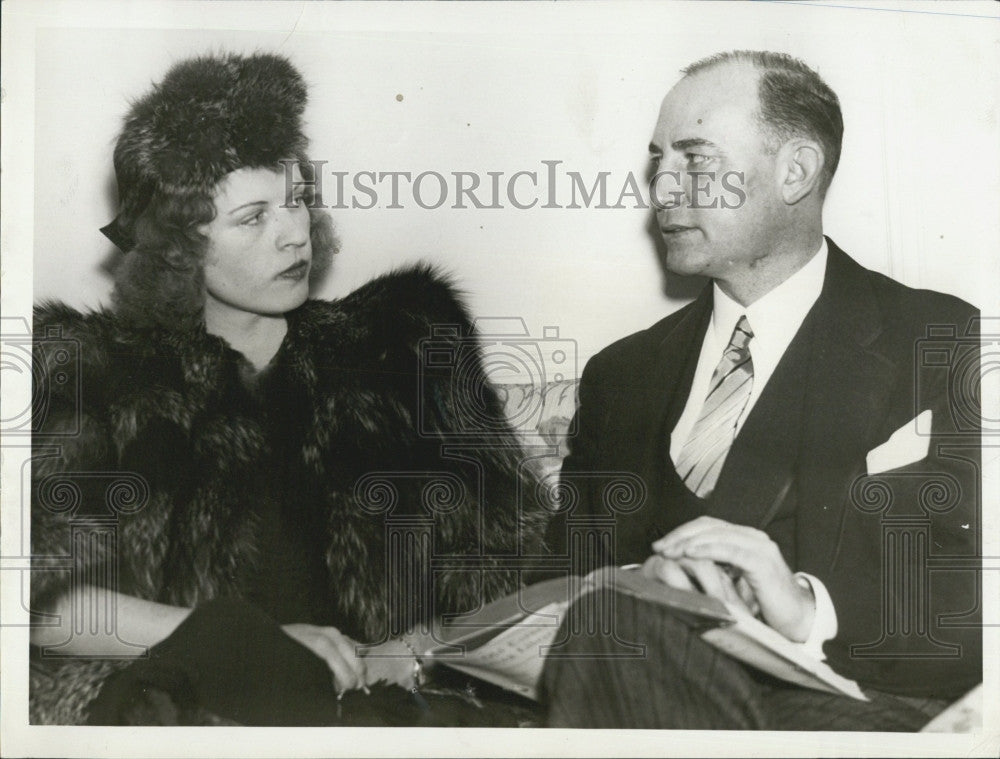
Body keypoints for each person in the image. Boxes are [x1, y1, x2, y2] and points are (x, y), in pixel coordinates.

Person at [29, 52, 545, 726]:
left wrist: (422, 647)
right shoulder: (90, 371)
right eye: (253, 217)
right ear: (179, 245)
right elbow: (43, 601)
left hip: (397, 710)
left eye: (298, 198)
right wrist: (237, 640)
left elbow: (520, 559)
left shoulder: (404, 343)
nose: (295, 231)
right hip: (194, 704)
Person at [541, 50, 981, 730]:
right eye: (658, 161)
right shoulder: (620, 375)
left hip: (855, 715)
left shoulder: (945, 340)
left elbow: (978, 593)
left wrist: (809, 607)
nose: (662, 189)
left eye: (696, 160)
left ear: (796, 171)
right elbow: (559, 580)